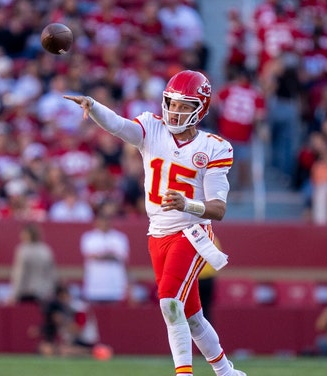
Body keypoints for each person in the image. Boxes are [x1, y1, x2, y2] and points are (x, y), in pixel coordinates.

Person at [64, 70, 245, 376]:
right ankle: (227, 372)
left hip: (192, 231)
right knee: (191, 315)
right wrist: (93, 107)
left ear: (200, 109)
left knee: (169, 302)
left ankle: (183, 373)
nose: (175, 111)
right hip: (157, 232)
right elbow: (120, 126)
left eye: (184, 106)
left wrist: (188, 204)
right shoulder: (153, 128)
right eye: (172, 103)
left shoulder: (214, 148)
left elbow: (218, 208)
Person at [79, 209, 130, 304]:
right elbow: (91, 255)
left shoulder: (119, 238)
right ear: (96, 222)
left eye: (106, 220)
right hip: (94, 286)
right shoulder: (88, 237)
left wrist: (101, 255)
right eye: (102, 220)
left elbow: (121, 256)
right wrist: (110, 254)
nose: (104, 223)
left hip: (115, 286)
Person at [5, 223, 57, 305]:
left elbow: (20, 273)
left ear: (27, 235)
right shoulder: (45, 250)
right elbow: (51, 273)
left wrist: (14, 294)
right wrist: (50, 290)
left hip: (26, 292)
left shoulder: (23, 250)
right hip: (43, 292)